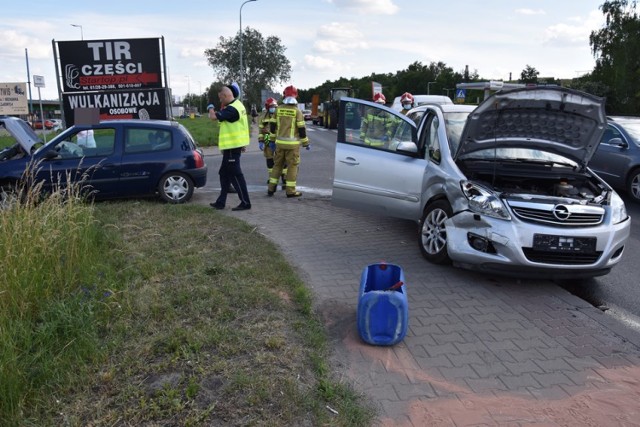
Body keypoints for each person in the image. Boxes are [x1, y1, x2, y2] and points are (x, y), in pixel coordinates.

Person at [207, 84, 252, 211]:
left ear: (226, 96)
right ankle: (221, 202)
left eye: (221, 98)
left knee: (235, 175)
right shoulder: (238, 105)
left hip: (232, 147)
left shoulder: (232, 109)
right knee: (224, 173)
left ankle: (245, 202)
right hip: (232, 147)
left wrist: (210, 107)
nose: (220, 101)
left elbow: (213, 117)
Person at [267, 85, 310, 198]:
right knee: (292, 166)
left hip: (279, 144)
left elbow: (272, 126)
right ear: (296, 96)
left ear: (284, 95)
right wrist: (306, 143)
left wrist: (271, 140)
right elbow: (301, 129)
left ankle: (271, 189)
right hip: (293, 146)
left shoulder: (278, 109)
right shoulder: (297, 112)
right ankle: (290, 191)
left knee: (277, 165)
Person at [258, 97, 287, 187]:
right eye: (271, 107)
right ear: (267, 107)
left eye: (274, 106)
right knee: (269, 158)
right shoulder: (263, 117)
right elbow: (260, 130)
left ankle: (284, 177)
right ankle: (271, 178)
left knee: (282, 159)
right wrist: (261, 141)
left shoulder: (281, 115)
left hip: (278, 139)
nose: (273, 108)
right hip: (267, 138)